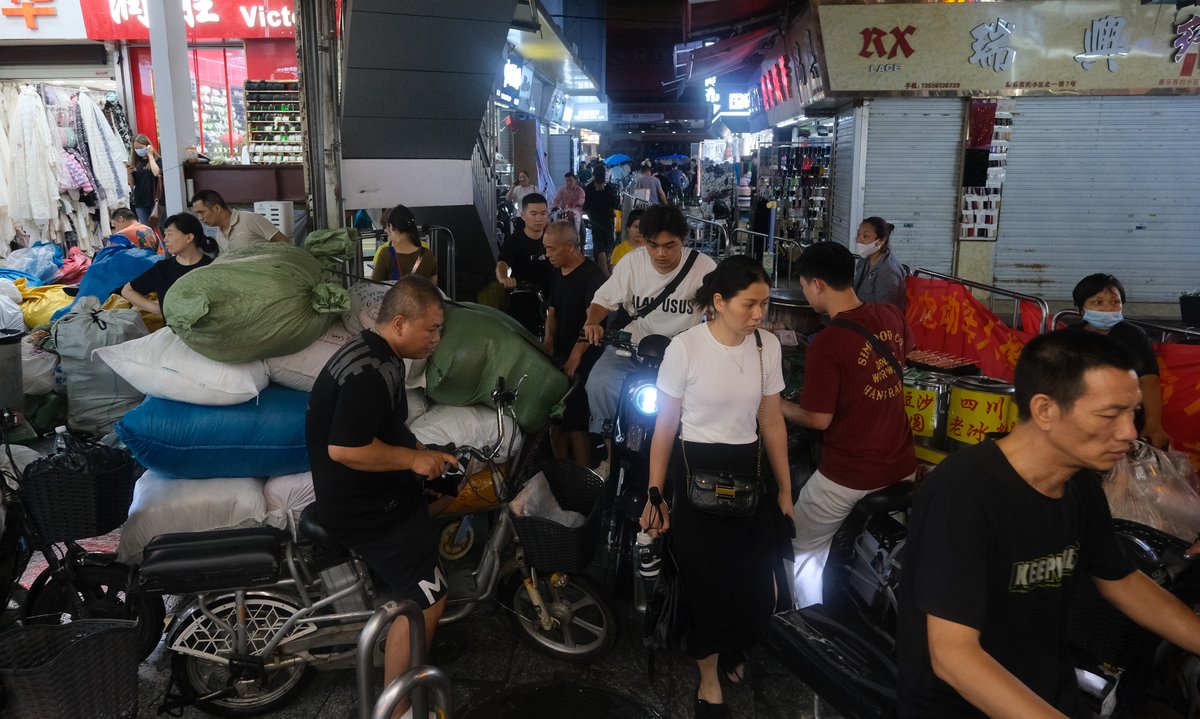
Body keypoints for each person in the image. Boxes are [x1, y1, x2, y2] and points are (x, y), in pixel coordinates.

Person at [897, 329, 1200, 718]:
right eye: (1110, 415)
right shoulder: (962, 493)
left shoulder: (1077, 482)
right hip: (962, 706)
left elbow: (1121, 580)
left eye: (1132, 413)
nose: (1129, 432)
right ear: (1044, 410)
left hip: (1045, 692)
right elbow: (953, 655)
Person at [641, 255, 792, 718]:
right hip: (696, 472)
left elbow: (771, 419)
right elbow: (665, 427)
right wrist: (655, 493)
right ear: (719, 302)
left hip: (750, 472)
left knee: (754, 581)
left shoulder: (767, 346)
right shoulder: (684, 349)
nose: (758, 315)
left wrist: (786, 489)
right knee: (706, 583)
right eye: (750, 305)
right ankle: (708, 680)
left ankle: (734, 643)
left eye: (764, 305)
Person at [305, 276, 457, 719]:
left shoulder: (380, 355)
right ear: (400, 321)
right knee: (428, 595)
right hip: (362, 507)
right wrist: (412, 463)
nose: (437, 338)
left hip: (375, 494)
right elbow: (346, 449)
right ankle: (398, 707)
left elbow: (384, 429)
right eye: (432, 329)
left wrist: (423, 455)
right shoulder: (370, 373)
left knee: (446, 488)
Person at [781, 241, 916, 608]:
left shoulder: (828, 342)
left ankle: (807, 624)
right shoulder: (891, 316)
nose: (806, 294)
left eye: (805, 286)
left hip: (852, 473)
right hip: (902, 464)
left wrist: (774, 404)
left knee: (797, 545)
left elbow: (817, 419)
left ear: (818, 285)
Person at [582, 204, 716, 454]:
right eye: (653, 245)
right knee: (598, 383)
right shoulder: (632, 263)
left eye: (670, 245)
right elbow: (602, 300)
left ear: (684, 240)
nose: (660, 254)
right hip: (633, 346)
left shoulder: (704, 268)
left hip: (685, 355)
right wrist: (592, 322)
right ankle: (609, 451)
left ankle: (693, 454)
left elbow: (719, 310)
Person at [1072, 274, 1170, 449]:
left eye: (1115, 302)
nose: (1108, 308)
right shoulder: (1067, 338)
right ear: (1081, 309)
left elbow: (1149, 380)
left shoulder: (1134, 336)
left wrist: (1153, 425)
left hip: (1124, 421)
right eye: (1098, 302)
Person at [542, 220, 607, 464]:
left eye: (551, 249)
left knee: (576, 420)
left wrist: (575, 357)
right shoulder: (558, 272)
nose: (547, 255)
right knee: (556, 418)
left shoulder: (593, 276)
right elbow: (552, 310)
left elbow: (594, 323)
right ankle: (560, 471)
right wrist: (548, 340)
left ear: (570, 246)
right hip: (559, 353)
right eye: (545, 249)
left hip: (585, 356)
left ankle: (583, 477)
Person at [120, 213, 217, 319]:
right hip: (173, 331)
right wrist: (160, 309)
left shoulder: (212, 267)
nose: (165, 239)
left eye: (170, 234)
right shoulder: (162, 268)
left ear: (189, 237)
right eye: (165, 234)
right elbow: (127, 291)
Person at [190, 189, 289, 253]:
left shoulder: (249, 219)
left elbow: (284, 243)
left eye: (202, 212)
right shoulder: (219, 235)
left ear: (216, 208)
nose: (200, 218)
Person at [495, 193, 552, 295]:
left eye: (543, 213)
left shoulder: (554, 239)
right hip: (524, 296)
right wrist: (504, 278)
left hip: (551, 297)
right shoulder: (514, 240)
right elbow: (502, 263)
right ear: (523, 215)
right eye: (533, 214)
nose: (539, 219)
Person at [371, 205, 438, 285]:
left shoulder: (386, 254)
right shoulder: (428, 255)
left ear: (391, 226)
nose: (386, 231)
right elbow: (433, 287)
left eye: (386, 226)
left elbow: (374, 287)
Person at [852, 216, 906, 310]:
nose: (858, 239)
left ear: (881, 240)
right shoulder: (865, 260)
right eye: (858, 234)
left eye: (865, 236)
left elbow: (885, 312)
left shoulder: (888, 272)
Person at [582, 166, 620, 272]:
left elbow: (586, 206)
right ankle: (608, 271)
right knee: (607, 244)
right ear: (604, 175)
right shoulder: (610, 188)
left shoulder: (589, 188)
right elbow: (615, 205)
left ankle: (603, 272)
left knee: (599, 245)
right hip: (608, 220)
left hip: (595, 220)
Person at [126, 134, 161, 227]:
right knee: (146, 231)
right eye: (136, 148)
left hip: (154, 200)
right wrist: (128, 172)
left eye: (140, 147)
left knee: (161, 229)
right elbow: (131, 184)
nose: (138, 150)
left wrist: (150, 156)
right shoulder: (136, 163)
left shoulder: (157, 160)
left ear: (148, 146)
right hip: (140, 201)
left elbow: (156, 172)